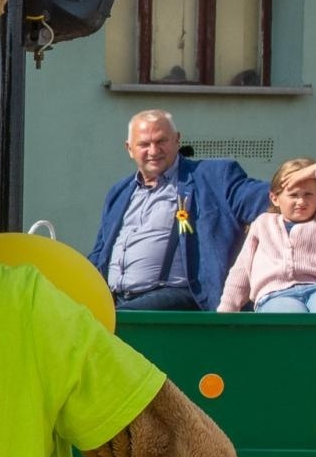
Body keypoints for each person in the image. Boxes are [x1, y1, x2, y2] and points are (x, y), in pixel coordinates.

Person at [87, 109, 267, 310]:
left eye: (161, 141)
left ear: (177, 140)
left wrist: (295, 181)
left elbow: (268, 198)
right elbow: (99, 254)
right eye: (144, 144)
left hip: (179, 296)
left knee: (118, 319)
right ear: (129, 149)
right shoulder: (119, 191)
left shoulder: (214, 176)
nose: (153, 151)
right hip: (114, 298)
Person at [218, 158, 316, 312]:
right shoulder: (263, 224)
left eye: (308, 194)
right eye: (293, 195)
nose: (301, 201)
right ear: (275, 198)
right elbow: (242, 269)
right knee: (288, 318)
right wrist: (227, 307)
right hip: (275, 294)